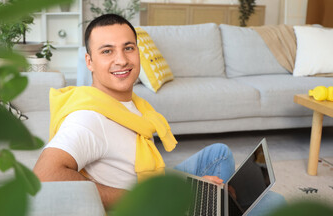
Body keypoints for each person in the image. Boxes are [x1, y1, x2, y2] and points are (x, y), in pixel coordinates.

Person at [33, 14, 285, 214]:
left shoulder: (129, 104)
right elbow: (44, 177)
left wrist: (191, 188)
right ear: (89, 62)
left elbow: (133, 167)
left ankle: (214, 205)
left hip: (145, 183)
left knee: (218, 154)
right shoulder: (89, 118)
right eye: (107, 51)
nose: (121, 60)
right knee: (276, 203)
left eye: (128, 48)